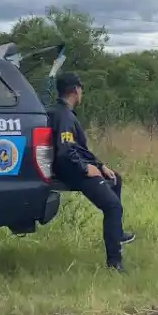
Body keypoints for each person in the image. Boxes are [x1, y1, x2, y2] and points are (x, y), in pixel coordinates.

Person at [47, 71, 135, 272]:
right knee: (113, 207)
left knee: (115, 179)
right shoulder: (64, 117)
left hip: (74, 165)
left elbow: (78, 148)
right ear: (76, 90)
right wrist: (86, 168)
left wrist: (100, 165)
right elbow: (65, 150)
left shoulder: (59, 111)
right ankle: (115, 262)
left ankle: (117, 232)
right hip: (71, 171)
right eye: (81, 88)